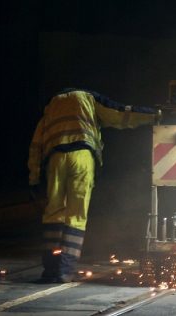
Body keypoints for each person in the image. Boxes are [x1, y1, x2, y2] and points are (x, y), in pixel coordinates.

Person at [27, 88, 157, 283]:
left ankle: (50, 269)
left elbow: (36, 144)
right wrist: (155, 116)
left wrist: (34, 177)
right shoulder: (88, 98)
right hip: (82, 156)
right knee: (76, 215)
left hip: (55, 159)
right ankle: (65, 269)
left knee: (53, 213)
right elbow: (121, 114)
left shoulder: (52, 104)